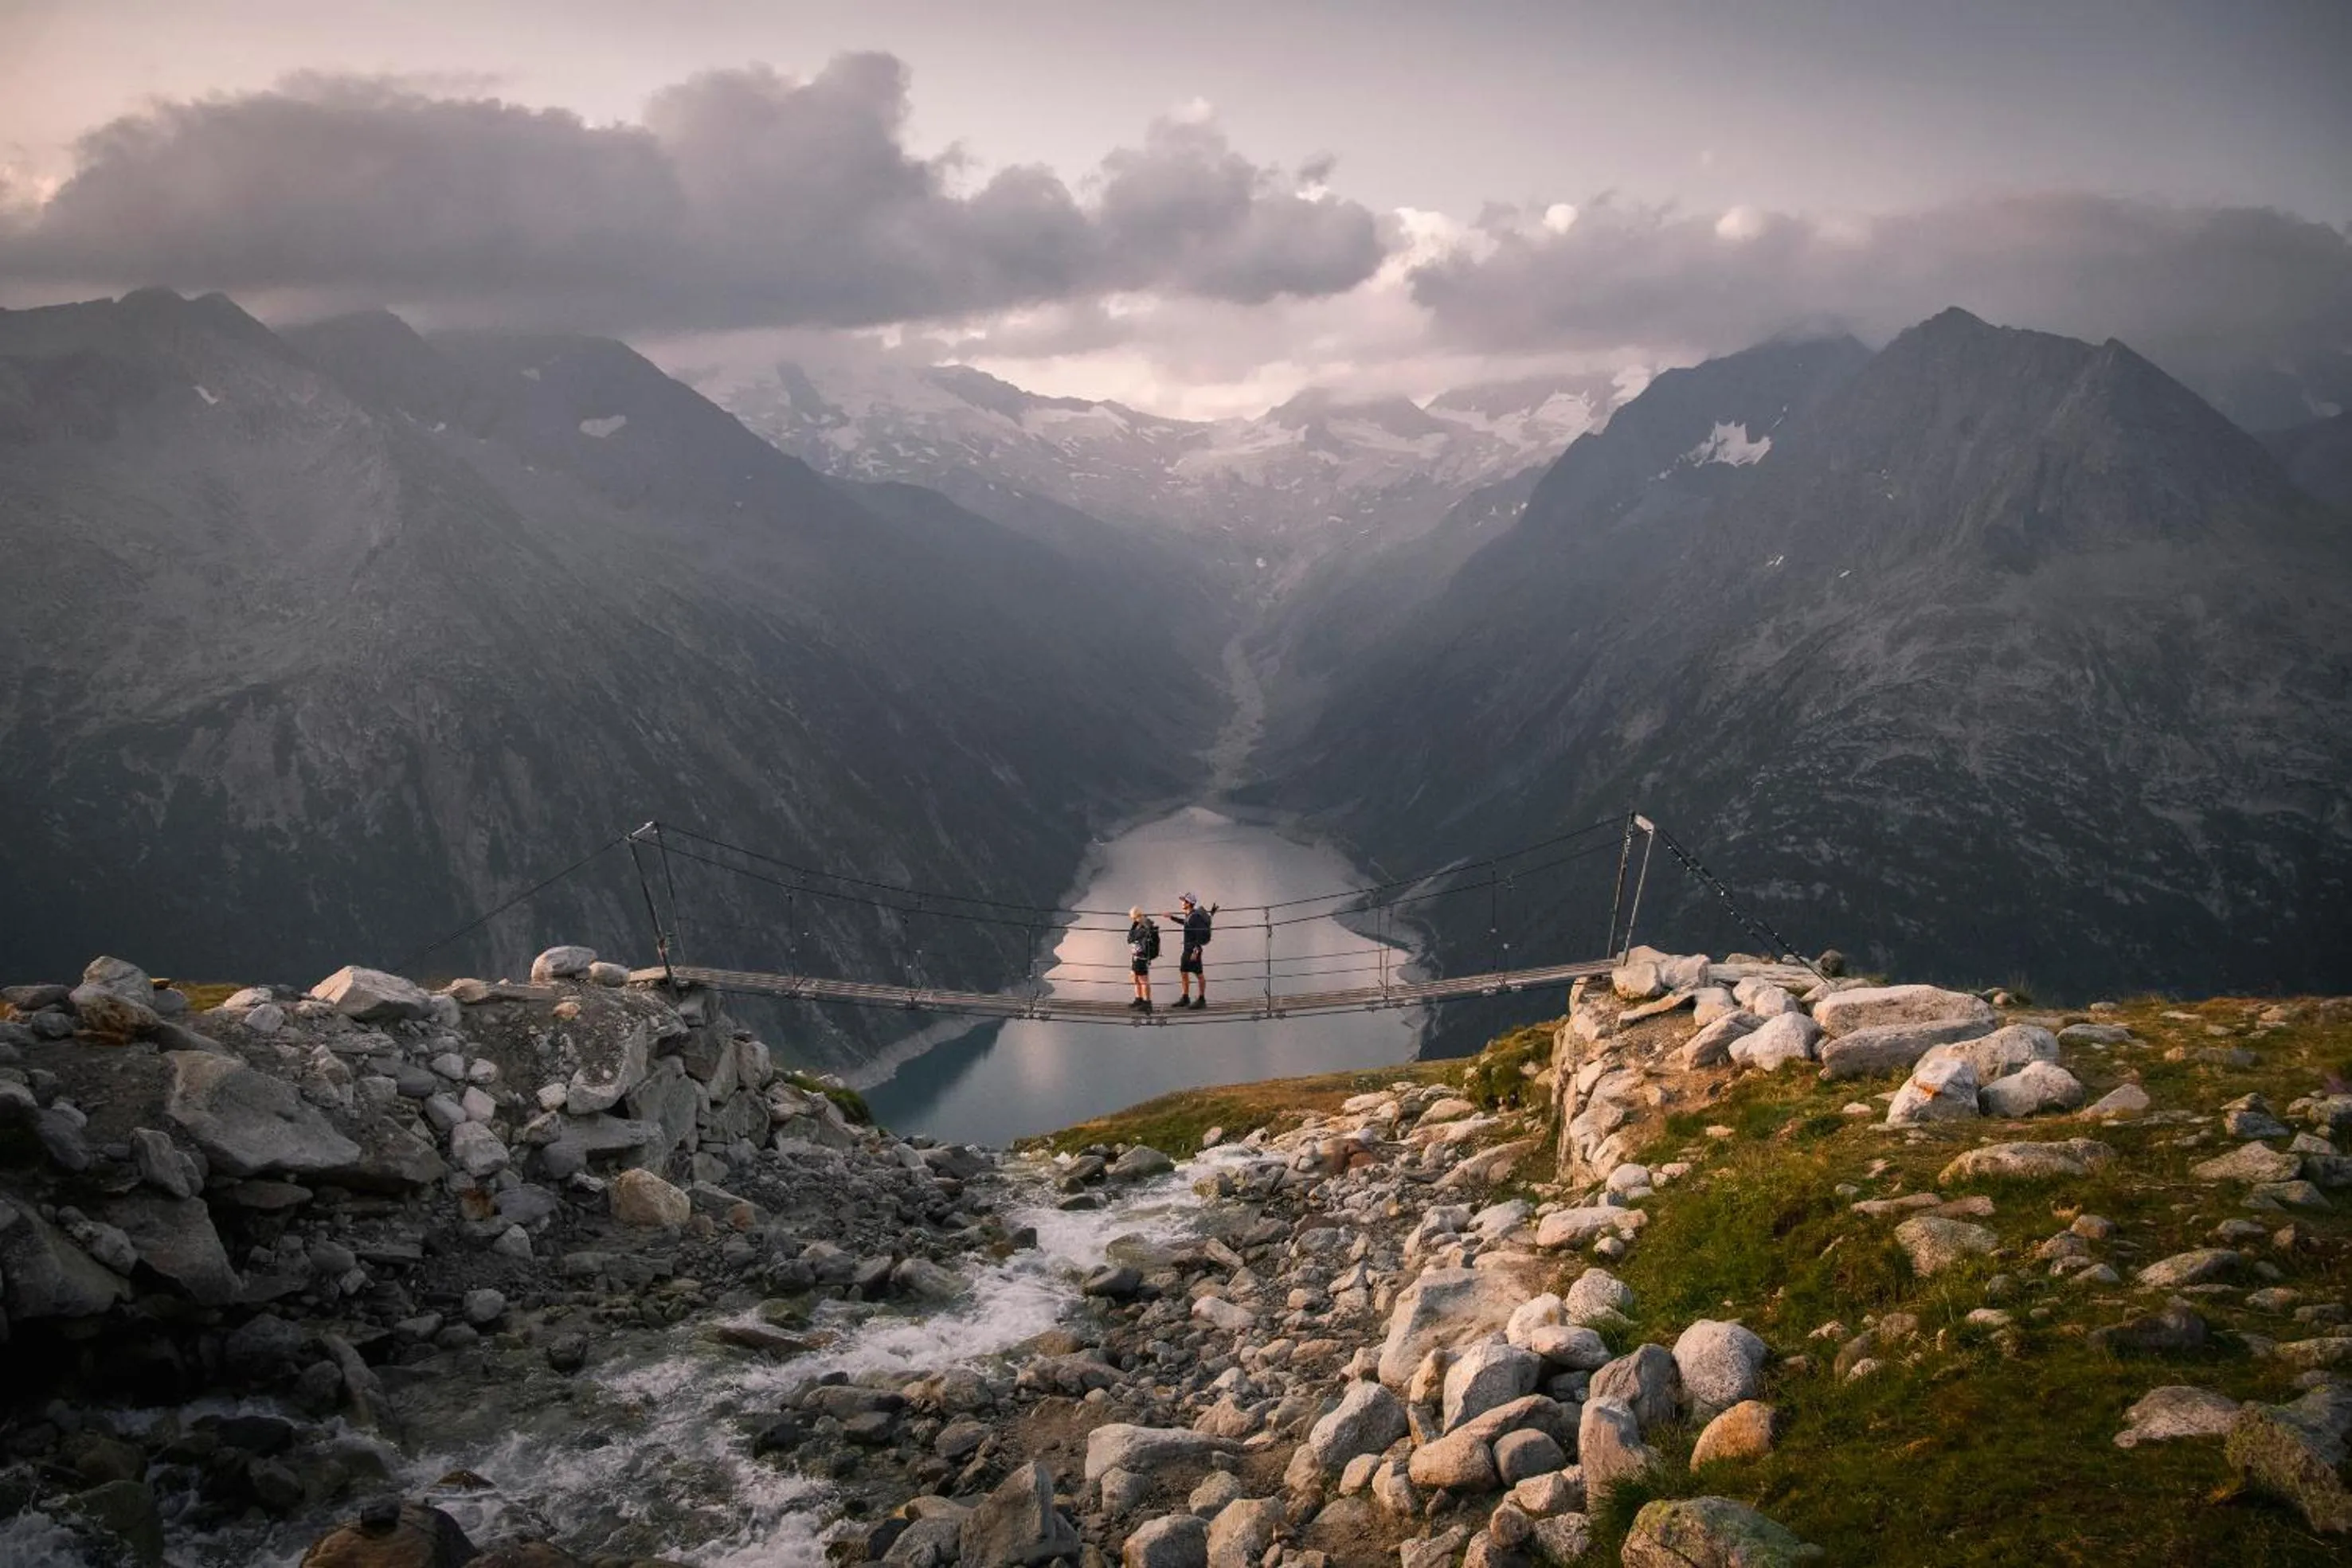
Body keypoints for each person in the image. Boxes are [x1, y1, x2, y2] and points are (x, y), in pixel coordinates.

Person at [1170, 893, 1218, 1009]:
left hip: (1193, 950)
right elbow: (1186, 923)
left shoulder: (1194, 917)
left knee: (1199, 975)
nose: (1182, 903)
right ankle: (1185, 998)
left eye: (1184, 901)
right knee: (1183, 972)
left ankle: (1202, 1000)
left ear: (1189, 904)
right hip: (1187, 949)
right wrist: (1172, 917)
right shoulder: (1189, 915)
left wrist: (1195, 952)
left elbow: (1200, 935)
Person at [1126, 905, 1161, 1012]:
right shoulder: (1140, 924)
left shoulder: (1143, 927)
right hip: (1136, 956)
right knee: (1136, 979)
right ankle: (1139, 999)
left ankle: (1147, 1003)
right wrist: (1135, 924)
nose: (1133, 920)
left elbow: (1129, 938)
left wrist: (1135, 925)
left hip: (1141, 957)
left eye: (1133, 918)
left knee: (1143, 980)